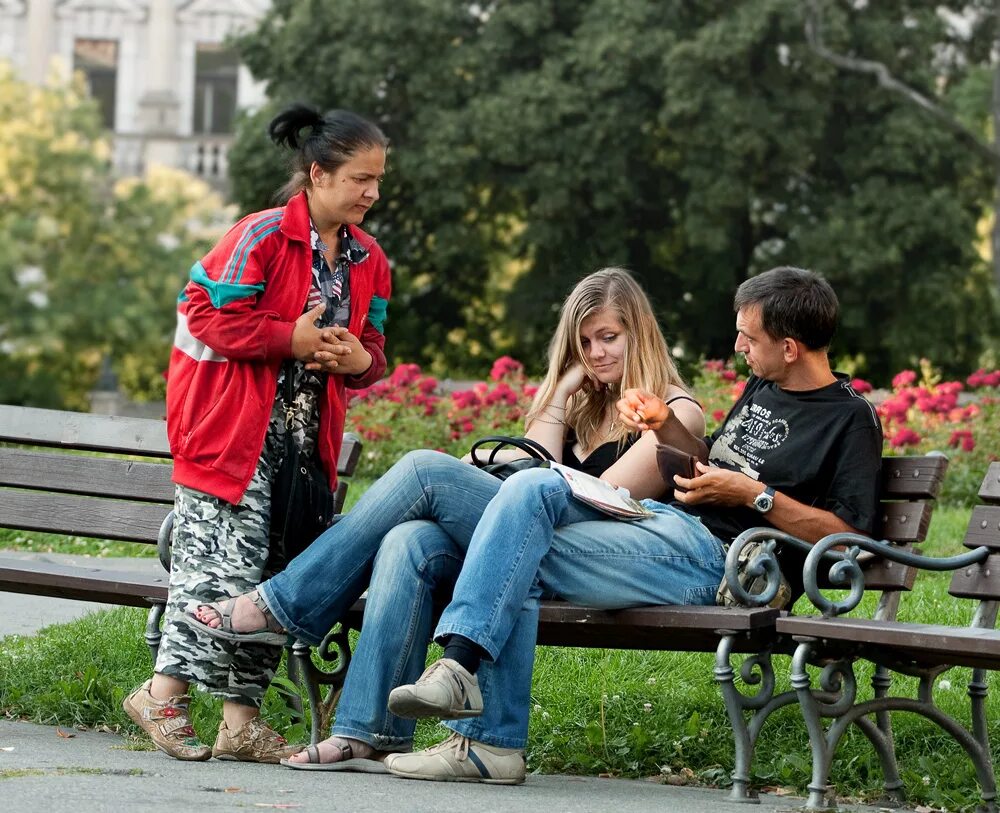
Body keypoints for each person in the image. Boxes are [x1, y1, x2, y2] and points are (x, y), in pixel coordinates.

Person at [190, 268, 704, 775]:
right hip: (538, 541)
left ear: (639, 335)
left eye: (609, 338)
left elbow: (594, 499)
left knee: (424, 472)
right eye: (584, 343)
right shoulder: (584, 408)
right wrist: (563, 389)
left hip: (606, 557)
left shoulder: (677, 412)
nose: (596, 354)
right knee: (412, 539)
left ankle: (281, 604)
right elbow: (541, 468)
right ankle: (367, 734)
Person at [122, 103, 391, 763]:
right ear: (317, 172)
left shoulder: (368, 259)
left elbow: (374, 350)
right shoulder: (261, 235)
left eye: (379, 179)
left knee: (274, 584)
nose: (373, 193)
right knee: (217, 573)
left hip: (304, 452)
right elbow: (202, 315)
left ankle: (240, 720)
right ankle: (162, 695)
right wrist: (286, 337)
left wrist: (358, 360)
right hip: (229, 437)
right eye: (360, 178)